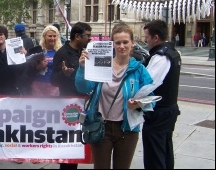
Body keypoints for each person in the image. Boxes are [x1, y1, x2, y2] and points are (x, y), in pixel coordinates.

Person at [75, 23, 153, 169]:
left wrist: (138, 104)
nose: (122, 46)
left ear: (132, 43)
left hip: (127, 130)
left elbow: (151, 98)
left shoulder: (139, 69)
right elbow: (83, 88)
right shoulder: (101, 63)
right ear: (112, 44)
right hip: (101, 126)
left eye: (125, 42)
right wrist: (82, 68)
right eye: (118, 42)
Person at [50, 21, 92, 169]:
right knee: (69, 148)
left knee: (79, 145)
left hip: (85, 102)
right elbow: (53, 80)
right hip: (69, 104)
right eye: (87, 36)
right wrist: (64, 73)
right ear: (77, 36)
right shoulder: (62, 53)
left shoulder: (85, 51)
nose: (90, 38)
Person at [142, 19, 181, 169]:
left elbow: (148, 85)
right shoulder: (173, 52)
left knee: (155, 157)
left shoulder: (160, 57)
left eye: (147, 37)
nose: (146, 41)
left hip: (158, 113)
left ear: (156, 38)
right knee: (165, 151)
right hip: (168, 111)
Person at [0, 25, 25, 95]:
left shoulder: (14, 51)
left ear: (5, 36)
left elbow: (21, 69)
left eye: (1, 34)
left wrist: (23, 56)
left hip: (12, 90)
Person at [30, 25, 62, 96]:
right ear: (44, 37)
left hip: (54, 86)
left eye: (54, 36)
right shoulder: (38, 50)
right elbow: (29, 68)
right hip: (38, 85)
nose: (52, 38)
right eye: (50, 36)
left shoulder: (60, 51)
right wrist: (38, 67)